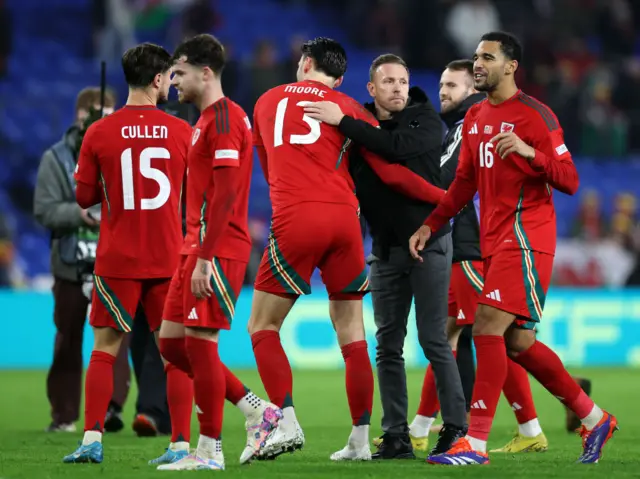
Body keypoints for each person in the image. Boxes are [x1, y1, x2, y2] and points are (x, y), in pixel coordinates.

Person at [409, 31, 617, 466]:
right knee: (517, 342)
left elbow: (570, 179)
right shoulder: (479, 117)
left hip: (526, 239)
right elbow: (464, 183)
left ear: (511, 66)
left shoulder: (535, 116)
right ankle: (594, 417)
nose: (478, 63)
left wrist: (530, 153)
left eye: (488, 57)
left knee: (485, 328)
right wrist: (430, 225)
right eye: (476, 56)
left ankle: (475, 445)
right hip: (496, 240)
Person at [249, 37, 443, 462]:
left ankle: (284, 422)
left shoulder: (265, 101)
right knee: (352, 333)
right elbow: (391, 174)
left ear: (304, 63)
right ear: (339, 78)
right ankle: (359, 439)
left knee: (262, 327)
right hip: (344, 222)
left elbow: (265, 167)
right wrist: (445, 200)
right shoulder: (349, 110)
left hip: (296, 216)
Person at [304, 53, 467, 458]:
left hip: (430, 244)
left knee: (433, 339)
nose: (399, 88)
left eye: (403, 80)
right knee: (388, 345)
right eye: (389, 82)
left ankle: (456, 429)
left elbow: (394, 150)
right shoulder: (362, 130)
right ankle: (395, 434)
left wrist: (343, 121)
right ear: (372, 89)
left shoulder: (424, 120)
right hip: (385, 250)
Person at [155, 34, 282, 471]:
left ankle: (208, 451)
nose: (174, 84)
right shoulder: (205, 121)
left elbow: (227, 193)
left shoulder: (226, 118)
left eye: (180, 74)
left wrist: (206, 256)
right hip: (194, 247)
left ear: (204, 72)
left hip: (216, 248)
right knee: (171, 344)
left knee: (200, 344)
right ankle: (257, 410)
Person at [61, 42, 193, 464]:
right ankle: (180, 446)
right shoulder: (181, 132)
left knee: (104, 349)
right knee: (174, 353)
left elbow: (84, 197)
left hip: (117, 257)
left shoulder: (99, 132)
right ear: (158, 79)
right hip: (167, 255)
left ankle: (91, 440)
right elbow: (194, 192)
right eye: (169, 77)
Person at [409, 59, 549, 454]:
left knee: (494, 336)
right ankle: (420, 426)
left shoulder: (468, 125)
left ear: (473, 90)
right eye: (440, 84)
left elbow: (448, 179)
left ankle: (523, 427)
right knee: (448, 333)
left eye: (452, 85)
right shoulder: (457, 128)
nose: (442, 91)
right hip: (459, 244)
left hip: (469, 246)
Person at [33, 87, 133, 434]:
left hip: (114, 261)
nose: (94, 122)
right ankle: (64, 414)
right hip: (70, 264)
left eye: (103, 114)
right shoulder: (55, 158)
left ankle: (111, 408)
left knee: (116, 338)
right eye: (89, 114)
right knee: (68, 339)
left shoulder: (124, 152)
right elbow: (43, 210)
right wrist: (79, 213)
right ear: (77, 116)